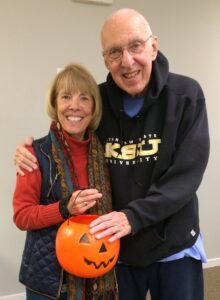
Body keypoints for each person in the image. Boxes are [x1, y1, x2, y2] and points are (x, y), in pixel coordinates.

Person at [13, 8, 210, 300]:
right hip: (118, 252)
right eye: (115, 52)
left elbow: (185, 177)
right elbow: (68, 134)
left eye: (135, 46)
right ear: (105, 59)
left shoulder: (186, 95)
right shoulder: (99, 101)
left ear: (153, 46)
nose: (127, 61)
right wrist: (28, 148)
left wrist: (133, 217)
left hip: (174, 247)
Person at [12, 63, 119, 300]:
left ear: (94, 107)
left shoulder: (107, 152)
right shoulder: (35, 153)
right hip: (50, 282)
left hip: (100, 274)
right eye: (66, 96)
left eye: (84, 98)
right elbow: (22, 216)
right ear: (55, 104)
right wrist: (64, 208)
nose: (75, 106)